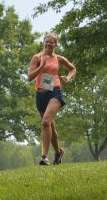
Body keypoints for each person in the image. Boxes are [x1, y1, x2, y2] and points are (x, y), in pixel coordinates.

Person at [28, 33, 76, 166]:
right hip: (40, 94)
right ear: (43, 43)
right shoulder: (37, 58)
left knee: (45, 122)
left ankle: (44, 157)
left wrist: (68, 77)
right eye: (47, 42)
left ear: (56, 44)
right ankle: (58, 152)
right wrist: (41, 67)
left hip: (54, 92)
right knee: (50, 126)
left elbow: (72, 69)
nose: (49, 44)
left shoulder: (59, 59)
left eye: (52, 42)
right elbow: (30, 77)